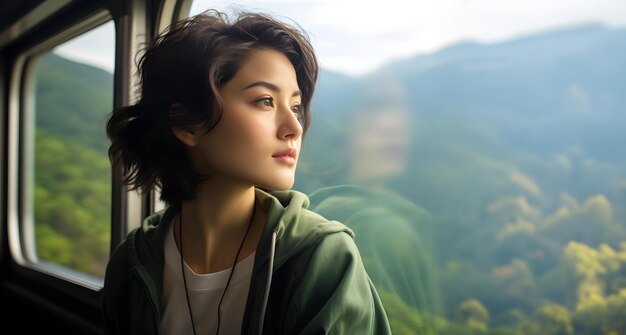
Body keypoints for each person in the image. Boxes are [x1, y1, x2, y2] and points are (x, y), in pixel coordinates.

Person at [101, 9, 391, 335]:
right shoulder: (132, 263)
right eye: (265, 100)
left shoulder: (323, 259)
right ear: (187, 124)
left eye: (295, 106)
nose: (294, 126)